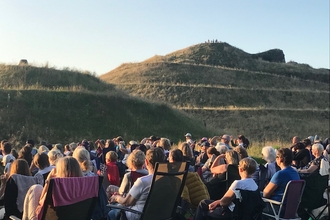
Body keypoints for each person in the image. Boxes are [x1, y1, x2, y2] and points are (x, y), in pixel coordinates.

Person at [107, 147, 165, 220]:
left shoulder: (142, 181)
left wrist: (116, 198)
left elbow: (126, 202)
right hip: (158, 214)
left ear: (146, 162)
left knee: (111, 213)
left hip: (138, 215)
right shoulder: (167, 180)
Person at [194, 157, 259, 220]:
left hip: (231, 213)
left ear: (240, 169)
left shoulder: (238, 183)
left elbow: (223, 202)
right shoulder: (255, 185)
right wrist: (217, 202)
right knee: (205, 203)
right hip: (244, 213)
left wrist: (219, 202)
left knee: (203, 205)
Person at [263, 147, 300, 214]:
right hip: (291, 209)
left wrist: (271, 193)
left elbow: (265, 194)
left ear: (280, 159)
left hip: (277, 208)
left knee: (254, 202)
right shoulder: (295, 173)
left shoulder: (279, 174)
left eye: (276, 157)